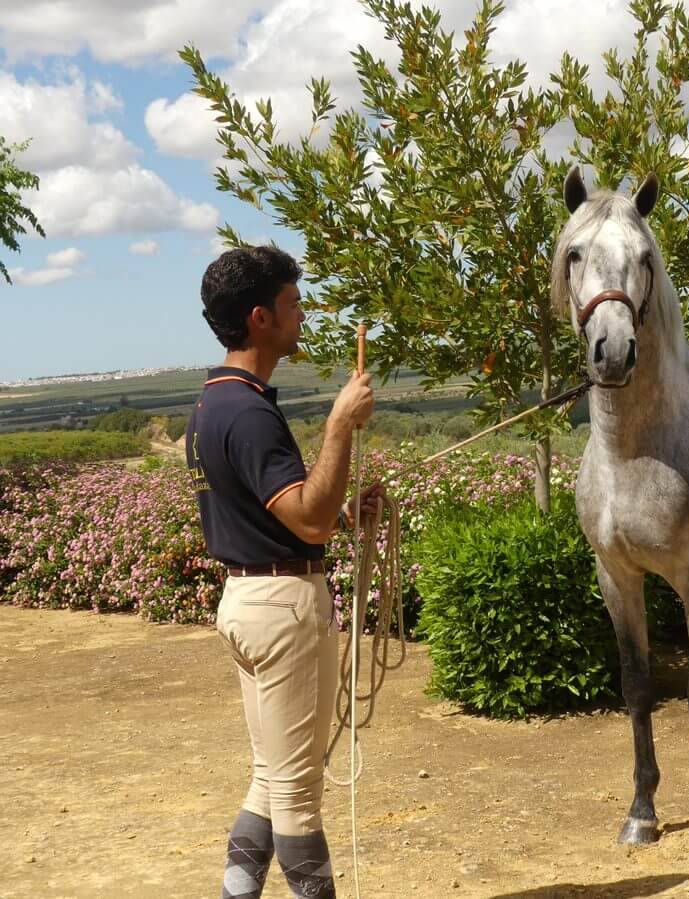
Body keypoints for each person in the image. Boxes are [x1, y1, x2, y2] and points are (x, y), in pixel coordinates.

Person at [185, 246, 382, 899]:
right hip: (283, 609)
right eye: (294, 303)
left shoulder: (213, 403)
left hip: (245, 601)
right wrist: (339, 425)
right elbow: (309, 519)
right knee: (298, 798)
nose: (303, 314)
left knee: (270, 778)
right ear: (261, 317)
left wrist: (348, 512)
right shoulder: (248, 412)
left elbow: (283, 515)